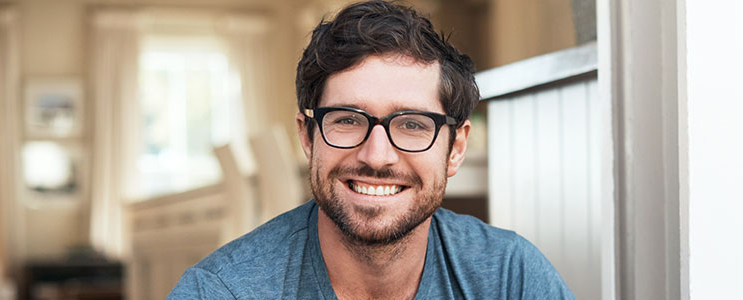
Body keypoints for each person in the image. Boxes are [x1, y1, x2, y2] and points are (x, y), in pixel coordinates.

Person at [167, 1, 575, 299]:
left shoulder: (509, 277)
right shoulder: (222, 291)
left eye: (412, 124)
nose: (376, 156)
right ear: (307, 137)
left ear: (456, 148)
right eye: (347, 120)